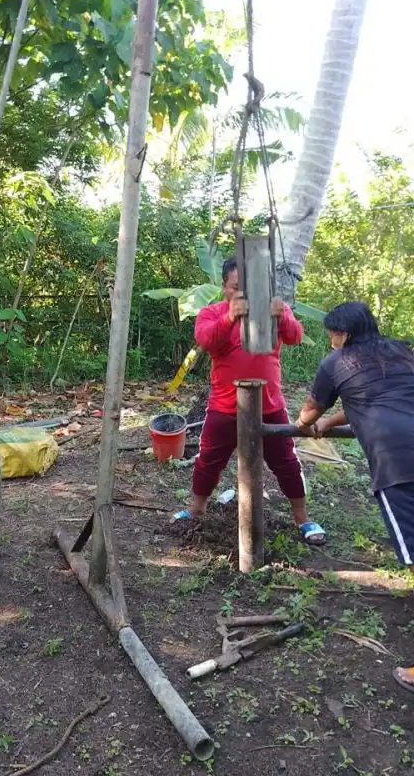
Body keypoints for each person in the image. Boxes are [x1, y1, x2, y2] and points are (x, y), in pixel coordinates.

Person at [294, 301, 414, 691]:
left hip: (397, 462)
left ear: (343, 334)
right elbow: (374, 397)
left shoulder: (336, 362)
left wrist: (310, 421)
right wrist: (335, 419)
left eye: (332, 332)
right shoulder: (401, 351)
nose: (331, 339)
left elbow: (308, 414)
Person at [172, 255, 326, 546]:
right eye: (235, 288)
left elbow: (295, 336)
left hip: (270, 405)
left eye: (249, 287)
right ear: (223, 287)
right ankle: (196, 509)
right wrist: (231, 316)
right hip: (225, 405)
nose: (242, 294)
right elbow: (205, 340)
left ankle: (302, 518)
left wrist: (283, 315)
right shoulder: (212, 312)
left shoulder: (273, 310)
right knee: (209, 461)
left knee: (286, 462)